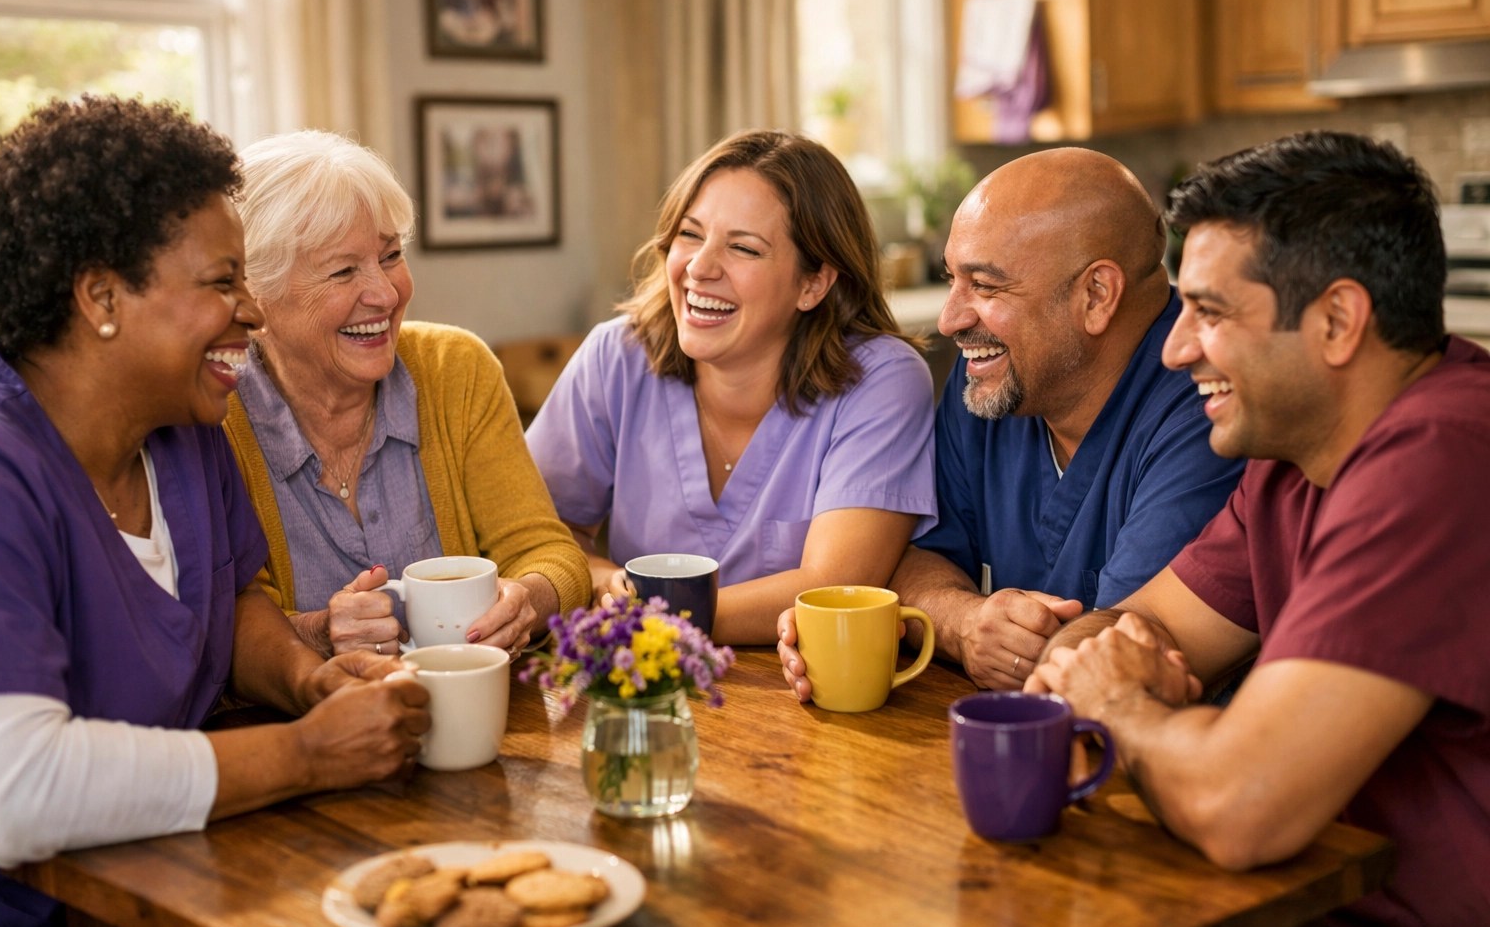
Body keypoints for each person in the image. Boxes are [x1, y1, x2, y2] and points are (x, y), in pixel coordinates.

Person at [0, 97, 430, 927]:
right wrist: (304, 755)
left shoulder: (184, 431)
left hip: (171, 910)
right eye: (223, 282)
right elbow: (6, 791)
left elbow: (232, 593)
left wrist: (308, 679)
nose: (251, 310)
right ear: (101, 296)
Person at [1029, 131, 1490, 927]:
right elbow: (1118, 634)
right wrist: (1109, 681)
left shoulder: (1442, 456)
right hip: (1316, 924)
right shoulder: (1287, 460)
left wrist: (1125, 707)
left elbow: (1240, 805)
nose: (1173, 350)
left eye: (1209, 312)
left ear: (1338, 321)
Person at [779, 148, 1244, 697]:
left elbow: (1125, 654)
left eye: (987, 286)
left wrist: (973, 630)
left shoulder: (1212, 407)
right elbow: (911, 557)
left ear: (1096, 295)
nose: (951, 319)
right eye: (953, 279)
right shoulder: (991, 377)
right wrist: (965, 622)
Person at [525, 129, 938, 645]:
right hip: (642, 684)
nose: (700, 268)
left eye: (743, 248)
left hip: (801, 701)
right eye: (691, 235)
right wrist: (610, 582)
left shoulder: (882, 380)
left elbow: (833, 589)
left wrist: (647, 616)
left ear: (814, 284)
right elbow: (537, 536)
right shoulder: (617, 356)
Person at [221, 130, 589, 658]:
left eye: (390, 255)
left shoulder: (454, 369)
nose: (386, 293)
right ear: (257, 296)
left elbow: (549, 551)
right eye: (344, 270)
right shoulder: (217, 414)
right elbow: (227, 621)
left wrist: (526, 599)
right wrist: (318, 632)